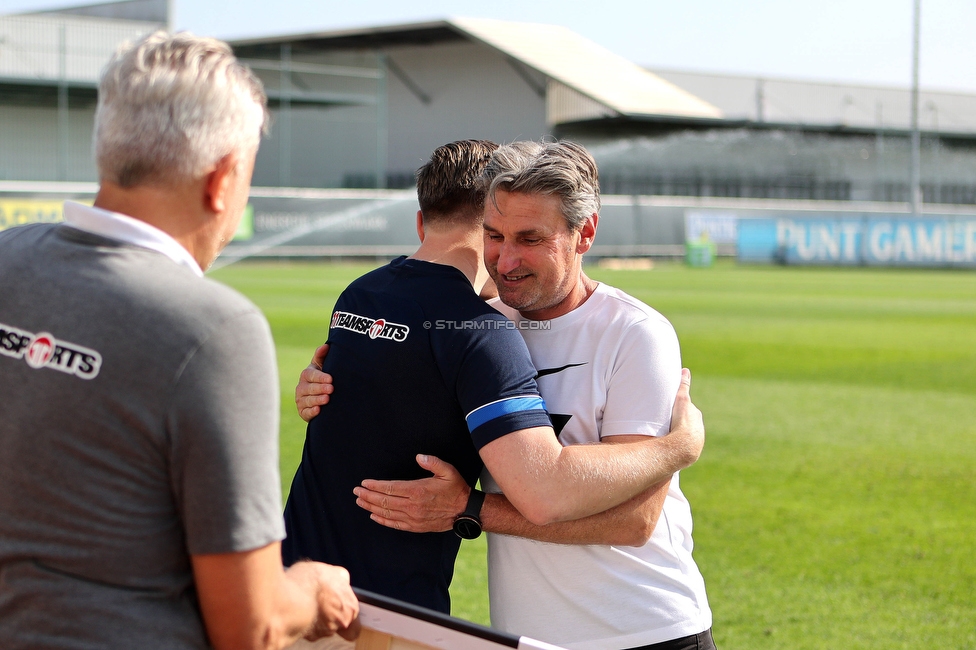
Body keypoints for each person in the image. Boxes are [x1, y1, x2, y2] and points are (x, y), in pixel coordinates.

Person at [0, 32, 359, 650]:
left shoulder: (8, 258)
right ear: (222, 179)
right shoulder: (214, 328)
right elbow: (251, 624)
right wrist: (312, 589)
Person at [282, 140, 704, 616]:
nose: (504, 261)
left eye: (529, 238)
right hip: (483, 624)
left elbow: (637, 520)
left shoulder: (636, 334)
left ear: (584, 234)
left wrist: (469, 509)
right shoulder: (483, 324)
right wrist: (321, 385)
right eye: (494, 235)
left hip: (644, 628)